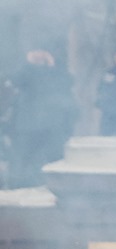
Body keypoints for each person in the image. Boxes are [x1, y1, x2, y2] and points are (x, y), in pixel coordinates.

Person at [3, 49, 78, 187]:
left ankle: (52, 184)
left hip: (49, 125)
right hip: (27, 125)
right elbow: (14, 79)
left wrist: (52, 64)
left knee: (51, 156)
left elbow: (68, 82)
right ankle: (18, 184)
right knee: (23, 156)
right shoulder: (27, 73)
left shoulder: (55, 72)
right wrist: (29, 64)